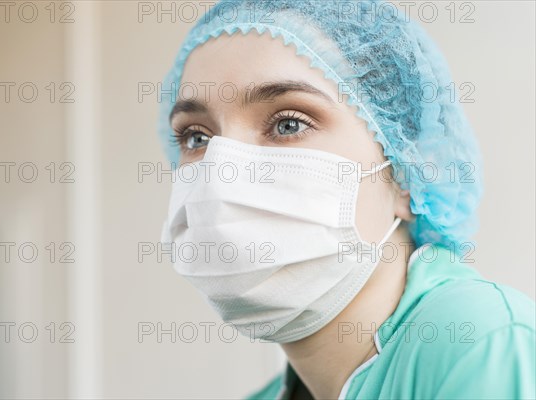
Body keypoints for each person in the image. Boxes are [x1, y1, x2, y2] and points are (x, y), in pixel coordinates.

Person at [157, 1, 536, 399]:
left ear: (407, 171)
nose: (222, 172)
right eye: (196, 137)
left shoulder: (478, 343)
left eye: (288, 123)